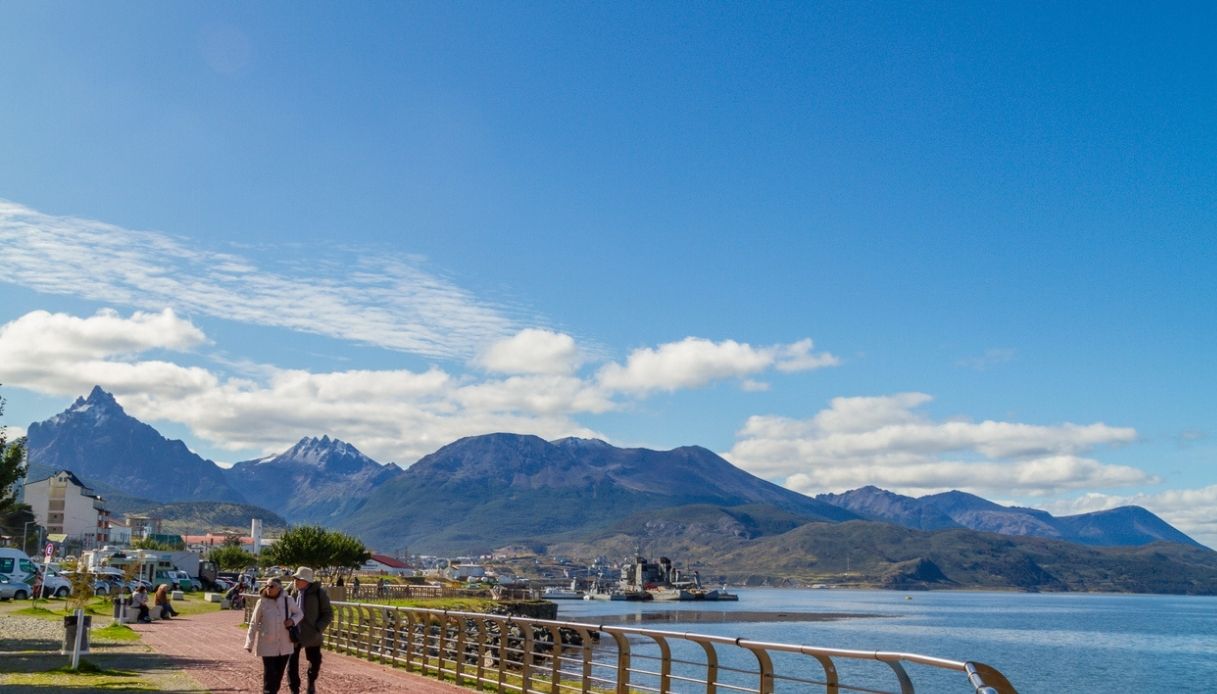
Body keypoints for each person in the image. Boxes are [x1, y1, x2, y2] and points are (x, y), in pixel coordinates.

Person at [244, 577, 303, 694]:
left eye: (271, 586)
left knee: (277, 677)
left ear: (279, 588)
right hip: (267, 645)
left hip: (285, 645)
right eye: (266, 586)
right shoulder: (262, 602)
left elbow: (299, 613)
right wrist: (249, 643)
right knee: (269, 676)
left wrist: (292, 620)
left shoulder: (288, 600)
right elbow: (253, 623)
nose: (268, 588)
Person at [287, 567, 333, 694]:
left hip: (312, 633)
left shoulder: (319, 593)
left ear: (307, 581)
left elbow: (328, 613)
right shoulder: (291, 591)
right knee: (291, 663)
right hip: (294, 632)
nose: (295, 580)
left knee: (315, 660)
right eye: (295, 578)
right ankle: (294, 689)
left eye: (298, 578)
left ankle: (311, 683)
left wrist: (319, 627)